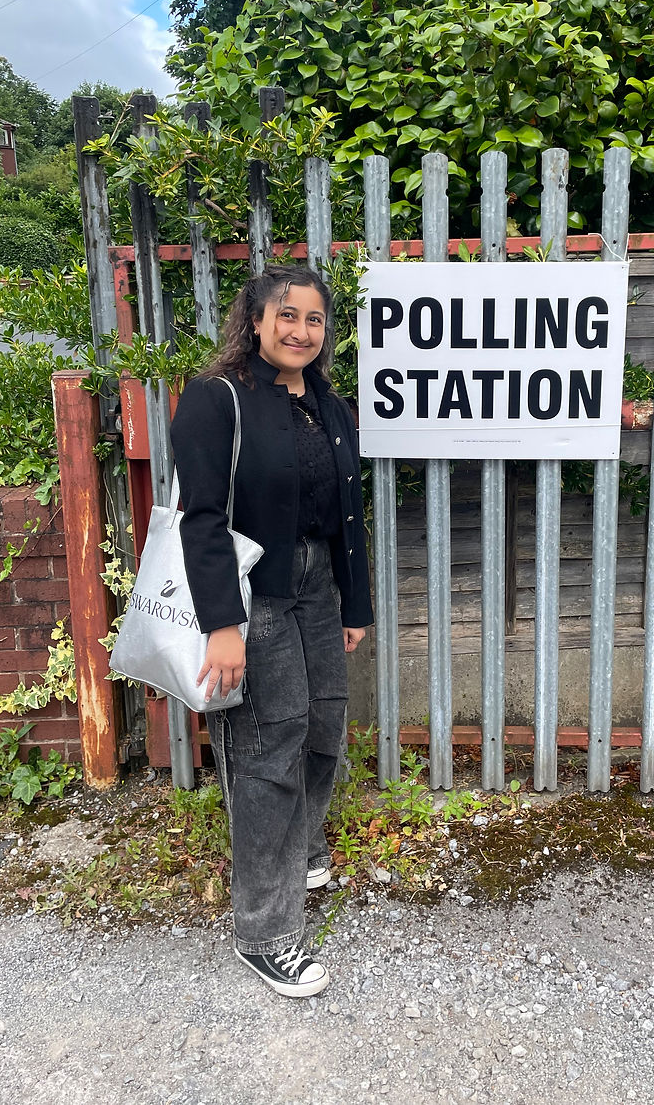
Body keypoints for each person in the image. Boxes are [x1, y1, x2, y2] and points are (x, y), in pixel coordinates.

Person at [170, 264, 373, 998]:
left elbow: (344, 513)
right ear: (255, 320)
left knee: (325, 727)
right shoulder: (216, 400)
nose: (300, 330)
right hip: (253, 596)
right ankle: (264, 931)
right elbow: (201, 520)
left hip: (317, 588)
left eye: (314, 319)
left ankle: (304, 845)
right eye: (286, 315)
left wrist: (354, 605)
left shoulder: (328, 405)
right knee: (267, 747)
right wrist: (224, 624)